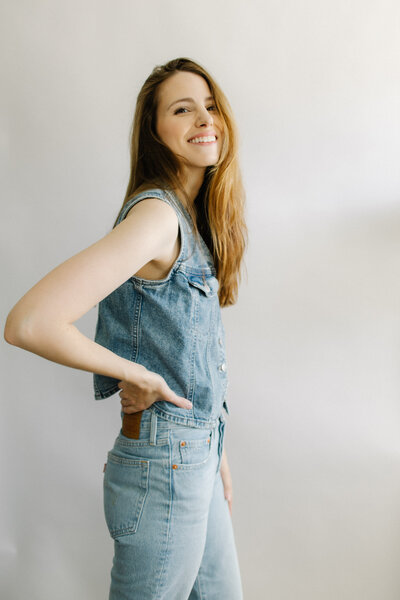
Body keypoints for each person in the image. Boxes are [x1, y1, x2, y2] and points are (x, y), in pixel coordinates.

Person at [4, 57, 247, 599]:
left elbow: (191, 356)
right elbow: (29, 322)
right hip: (166, 463)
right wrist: (136, 373)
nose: (204, 119)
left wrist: (216, 452)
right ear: (155, 132)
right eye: (182, 109)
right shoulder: (157, 218)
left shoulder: (191, 220)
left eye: (211, 106)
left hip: (197, 453)